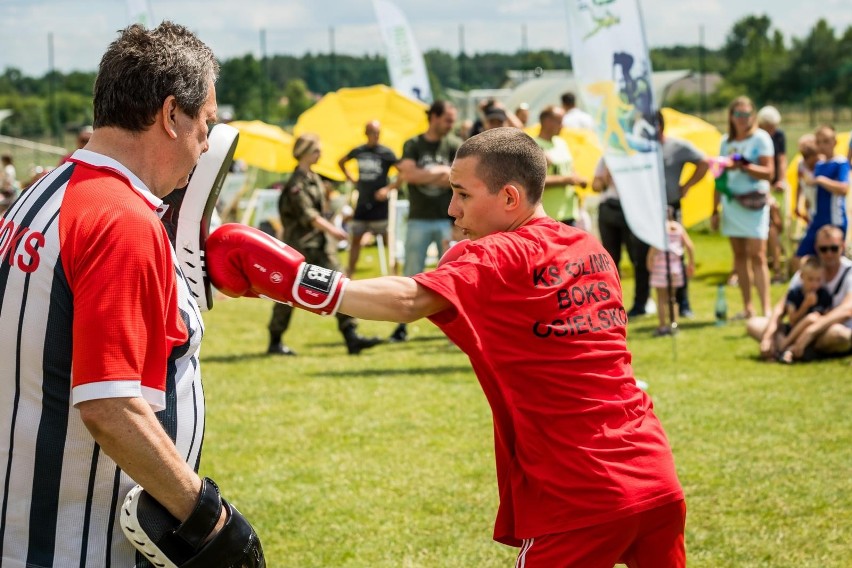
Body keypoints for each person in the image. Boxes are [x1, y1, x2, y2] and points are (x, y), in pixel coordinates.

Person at [207, 127, 686, 567]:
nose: (452, 209)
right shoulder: (589, 249)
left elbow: (409, 300)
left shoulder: (501, 252)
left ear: (510, 197)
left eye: (462, 194)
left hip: (582, 493)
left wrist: (296, 282)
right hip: (656, 478)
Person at [0, 21, 263, 566]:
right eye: (205, 123)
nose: (207, 143)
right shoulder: (120, 218)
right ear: (171, 115)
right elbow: (111, 406)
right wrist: (208, 516)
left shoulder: (39, 193)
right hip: (81, 543)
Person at [269, 132, 382, 356]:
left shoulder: (314, 178)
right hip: (300, 247)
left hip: (320, 245)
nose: (320, 153)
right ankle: (275, 340)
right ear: (305, 153)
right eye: (316, 150)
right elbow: (309, 216)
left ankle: (351, 336)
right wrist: (335, 231)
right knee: (286, 293)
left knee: (340, 287)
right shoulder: (296, 184)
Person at [392, 100, 462, 342]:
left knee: (453, 276)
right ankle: (401, 326)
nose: (451, 125)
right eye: (448, 120)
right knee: (411, 275)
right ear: (433, 117)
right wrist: (441, 173)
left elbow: (457, 178)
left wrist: (427, 176)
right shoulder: (413, 144)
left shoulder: (454, 144)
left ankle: (457, 328)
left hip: (448, 220)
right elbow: (408, 175)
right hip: (418, 219)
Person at [748, 225, 852, 362]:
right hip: (797, 327)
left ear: (842, 247)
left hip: (828, 330)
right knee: (753, 324)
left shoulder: (849, 272)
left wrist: (811, 331)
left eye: (834, 248)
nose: (829, 254)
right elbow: (782, 306)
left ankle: (785, 348)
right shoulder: (808, 269)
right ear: (816, 248)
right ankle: (793, 349)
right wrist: (768, 336)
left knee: (840, 336)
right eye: (824, 249)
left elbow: (847, 310)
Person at [711, 95, 775, 319]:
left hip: (755, 203)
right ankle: (748, 307)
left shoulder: (761, 138)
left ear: (753, 116)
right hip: (732, 202)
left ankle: (766, 307)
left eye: (746, 114)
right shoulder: (726, 141)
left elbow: (769, 172)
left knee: (758, 255)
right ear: (731, 116)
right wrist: (714, 209)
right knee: (739, 256)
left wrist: (744, 165)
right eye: (738, 114)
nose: (742, 119)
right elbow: (718, 178)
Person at [657, 110, 708, 318]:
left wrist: (686, 186)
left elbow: (703, 162)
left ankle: (683, 303)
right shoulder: (640, 148)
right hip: (650, 208)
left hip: (671, 206)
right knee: (651, 256)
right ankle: (647, 302)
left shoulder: (676, 146)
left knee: (676, 253)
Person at [593, 157, 652, 318]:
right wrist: (605, 179)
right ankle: (611, 304)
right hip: (609, 209)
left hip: (632, 210)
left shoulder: (636, 157)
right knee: (609, 261)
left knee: (638, 258)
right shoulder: (606, 157)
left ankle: (643, 302)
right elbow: (595, 186)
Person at [338, 119, 398, 277]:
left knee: (388, 239)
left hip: (380, 205)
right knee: (356, 238)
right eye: (372, 132)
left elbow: (403, 173)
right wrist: (351, 178)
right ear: (366, 133)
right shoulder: (359, 151)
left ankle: (394, 272)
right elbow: (341, 162)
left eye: (377, 133)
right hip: (363, 203)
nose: (375, 136)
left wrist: (388, 188)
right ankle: (349, 272)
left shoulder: (386, 153)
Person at [794, 125, 849, 262]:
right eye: (819, 142)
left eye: (826, 141)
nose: (823, 145)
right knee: (799, 258)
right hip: (817, 219)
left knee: (833, 260)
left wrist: (820, 180)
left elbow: (843, 189)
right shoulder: (819, 165)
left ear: (834, 142)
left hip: (834, 220)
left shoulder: (840, 163)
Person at [535, 105, 588, 227]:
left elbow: (570, 169)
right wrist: (567, 180)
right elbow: (533, 181)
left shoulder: (561, 142)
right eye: (559, 121)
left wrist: (579, 179)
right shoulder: (533, 146)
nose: (562, 126)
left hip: (569, 212)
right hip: (549, 215)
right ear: (547, 122)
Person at [774, 256, 833, 363]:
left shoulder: (824, 295)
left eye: (818, 280)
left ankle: (785, 348)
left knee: (813, 318)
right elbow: (792, 320)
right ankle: (786, 348)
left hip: (812, 334)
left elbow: (827, 319)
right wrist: (805, 305)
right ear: (801, 276)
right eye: (810, 279)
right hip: (794, 329)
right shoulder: (794, 294)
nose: (814, 284)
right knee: (775, 332)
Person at [647, 207, 695, 337]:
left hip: (660, 268)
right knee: (672, 298)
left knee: (661, 298)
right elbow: (690, 246)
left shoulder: (660, 229)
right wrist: (691, 263)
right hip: (675, 267)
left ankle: (662, 326)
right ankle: (674, 324)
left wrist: (649, 261)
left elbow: (654, 248)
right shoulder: (678, 228)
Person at [757, 106, 788, 283]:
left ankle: (775, 264)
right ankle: (775, 267)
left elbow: (781, 159)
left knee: (776, 225)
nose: (773, 130)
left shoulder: (779, 136)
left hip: (774, 186)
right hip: (761, 187)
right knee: (771, 228)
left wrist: (781, 180)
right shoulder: (757, 137)